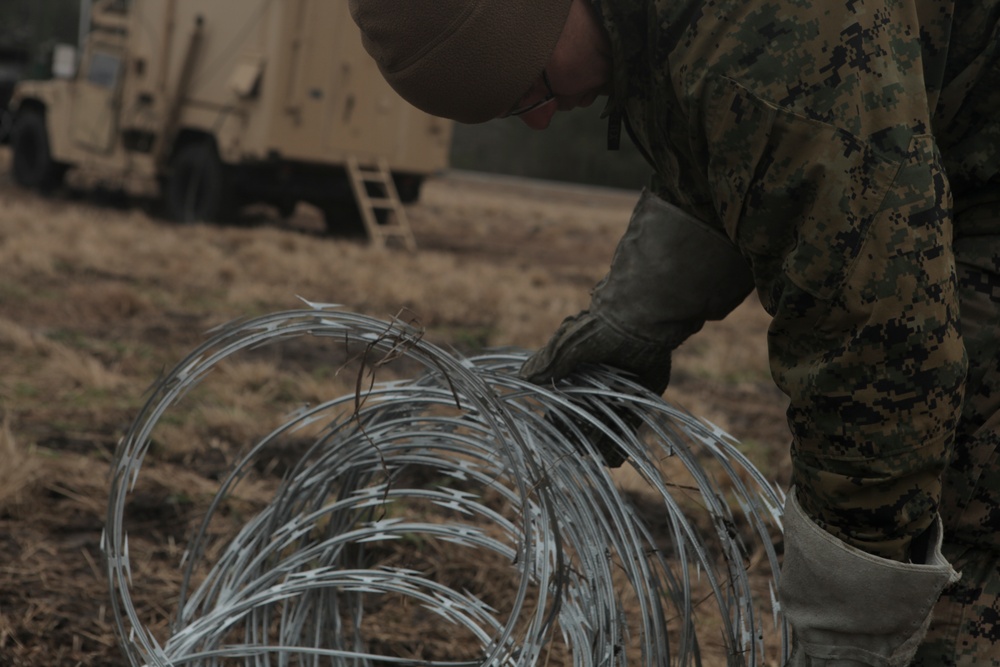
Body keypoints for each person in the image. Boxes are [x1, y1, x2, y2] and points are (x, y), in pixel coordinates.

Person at [349, 0, 1000, 664]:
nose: (543, 115)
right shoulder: (674, 28)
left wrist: (851, 627)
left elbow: (879, 341)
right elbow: (741, 149)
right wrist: (632, 319)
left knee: (954, 521)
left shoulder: (769, 43)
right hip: (944, 134)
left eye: (529, 90)